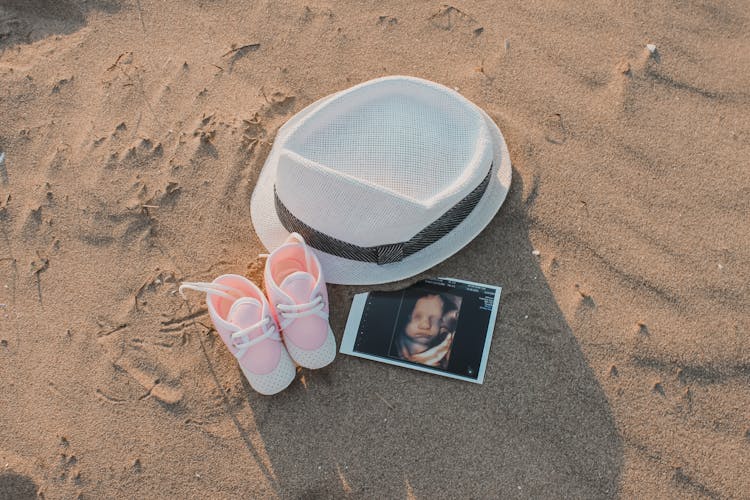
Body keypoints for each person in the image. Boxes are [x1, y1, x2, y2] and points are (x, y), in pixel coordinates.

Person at [390, 291, 460, 369]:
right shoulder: (392, 344)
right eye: (417, 317)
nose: (425, 325)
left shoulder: (446, 349)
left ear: (442, 323)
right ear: (404, 315)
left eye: (434, 319)